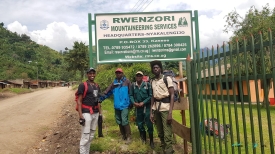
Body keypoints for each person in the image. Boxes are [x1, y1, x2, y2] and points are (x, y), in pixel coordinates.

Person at [101, 68, 132, 144]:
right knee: (119, 121)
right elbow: (107, 92)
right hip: (117, 105)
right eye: (117, 73)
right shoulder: (114, 83)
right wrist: (100, 99)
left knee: (124, 121)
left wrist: (131, 103)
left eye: (119, 73)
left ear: (122, 73)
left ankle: (129, 137)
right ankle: (123, 136)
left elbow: (131, 93)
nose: (118, 74)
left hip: (125, 105)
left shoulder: (127, 82)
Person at [149, 60, 175, 154]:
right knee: (160, 132)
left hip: (166, 109)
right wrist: (151, 112)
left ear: (160, 69)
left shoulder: (166, 79)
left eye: (157, 67)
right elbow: (152, 97)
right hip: (156, 109)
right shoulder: (152, 81)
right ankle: (165, 149)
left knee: (167, 133)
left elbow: (172, 95)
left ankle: (169, 151)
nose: (155, 69)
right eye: (154, 68)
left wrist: (170, 113)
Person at [77, 67, 101, 154]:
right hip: (86, 112)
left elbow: (98, 100)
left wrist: (100, 114)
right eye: (90, 73)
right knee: (85, 136)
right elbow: (79, 101)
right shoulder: (83, 85)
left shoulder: (97, 86)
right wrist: (80, 115)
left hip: (95, 113)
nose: (92, 75)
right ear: (87, 74)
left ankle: (87, 152)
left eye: (93, 73)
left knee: (91, 136)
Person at [129, 71, 154, 149]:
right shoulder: (133, 85)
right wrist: (134, 103)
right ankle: (143, 139)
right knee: (140, 124)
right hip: (138, 108)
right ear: (135, 77)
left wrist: (144, 102)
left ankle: (151, 141)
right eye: (137, 75)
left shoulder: (147, 85)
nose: (139, 77)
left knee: (149, 124)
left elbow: (150, 96)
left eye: (140, 75)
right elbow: (131, 95)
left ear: (142, 77)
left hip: (147, 107)